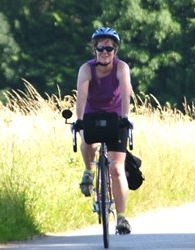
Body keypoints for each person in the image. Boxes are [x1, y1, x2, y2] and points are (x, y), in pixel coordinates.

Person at [74, 27, 132, 235]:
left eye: (109, 48)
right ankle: (89, 172)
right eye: (100, 48)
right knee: (87, 140)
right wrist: (79, 120)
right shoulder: (86, 69)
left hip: (115, 118)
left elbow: (126, 95)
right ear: (95, 50)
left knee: (117, 169)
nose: (104, 52)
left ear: (115, 50)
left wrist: (125, 117)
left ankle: (122, 218)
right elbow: (81, 96)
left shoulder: (121, 67)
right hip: (92, 114)